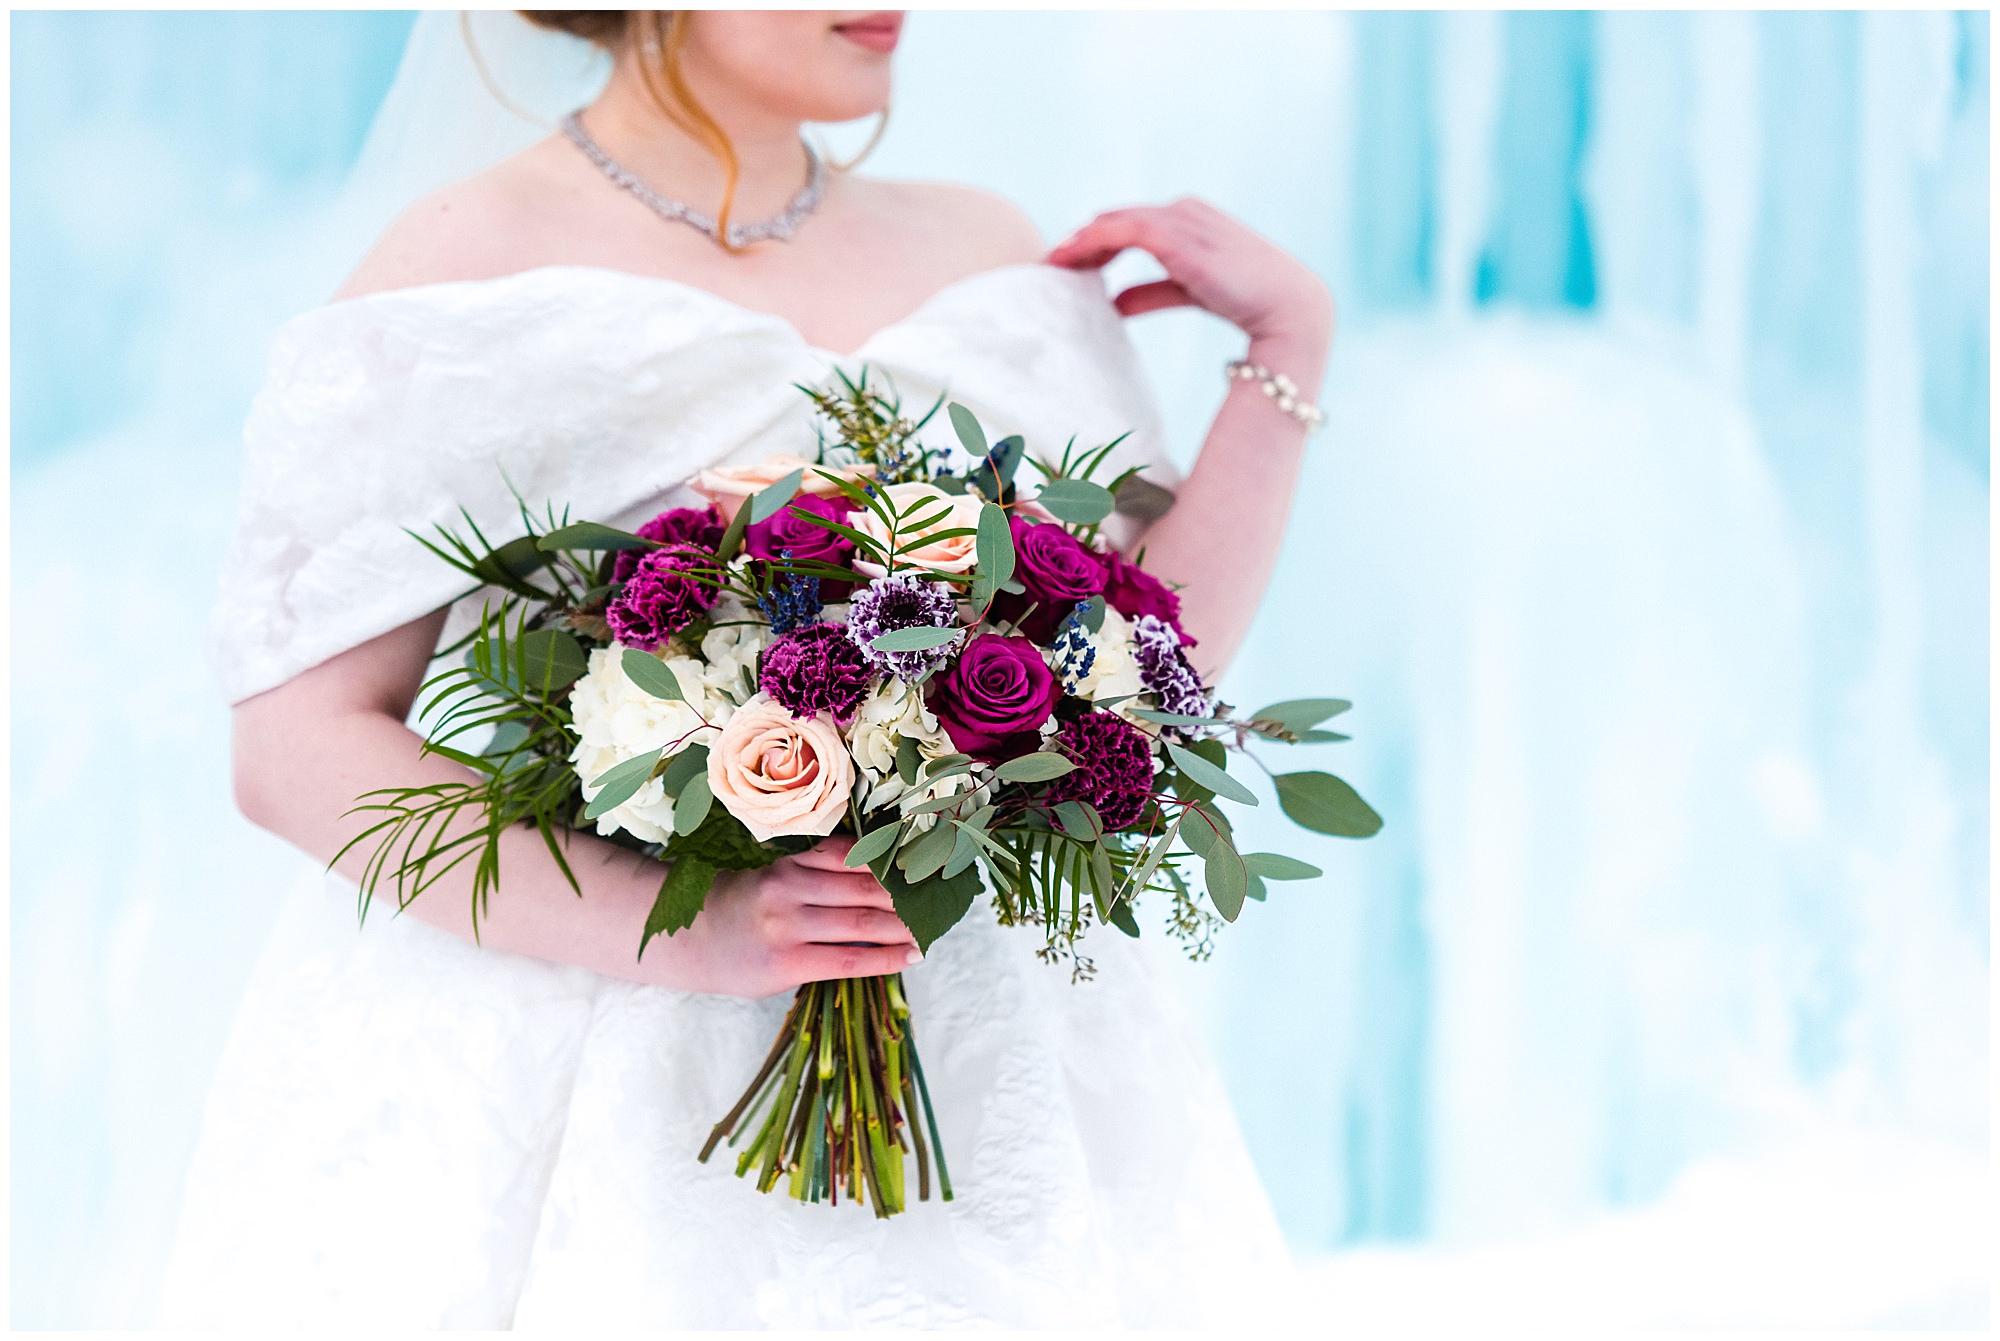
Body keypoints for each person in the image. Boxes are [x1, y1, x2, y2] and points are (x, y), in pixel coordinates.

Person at [163, 10, 1333, 1328]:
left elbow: (1140, 661)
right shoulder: (467, 257)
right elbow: (296, 749)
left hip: (979, 1043)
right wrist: (679, 926)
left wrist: (1282, 354)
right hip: (597, 1044)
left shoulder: (988, 245)